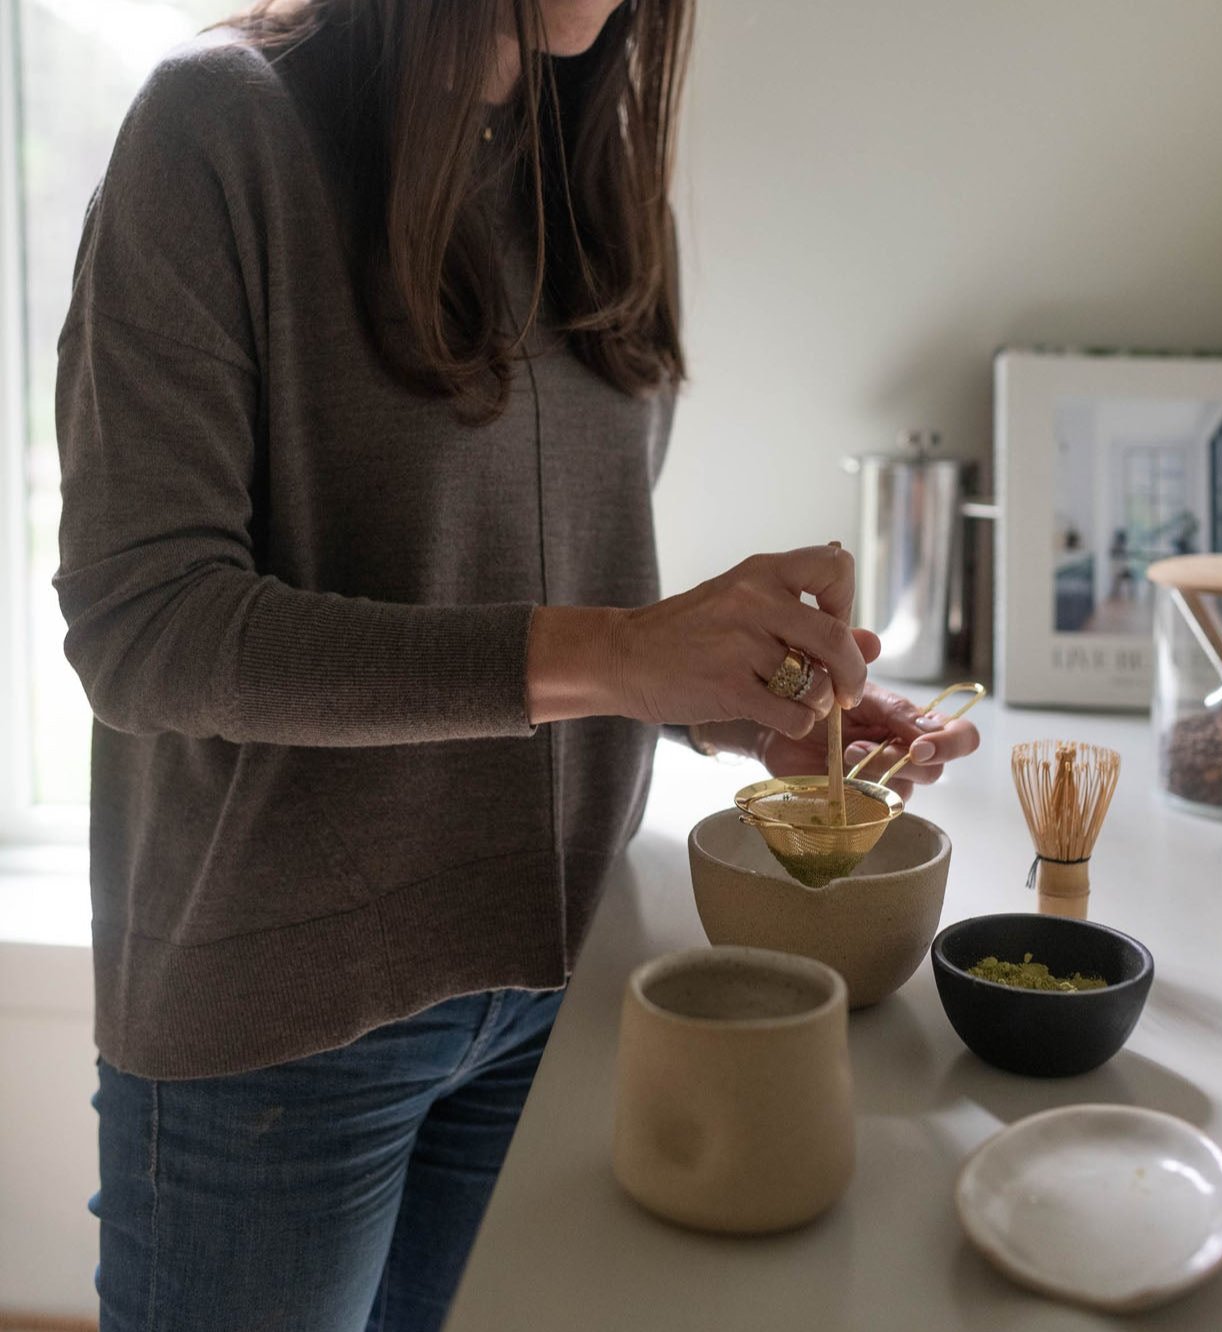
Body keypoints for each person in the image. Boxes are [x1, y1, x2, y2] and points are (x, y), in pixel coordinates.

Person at [53, 1, 981, 1327]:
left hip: (561, 992)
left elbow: (548, 615)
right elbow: (148, 628)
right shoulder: (218, 132)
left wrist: (748, 700)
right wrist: (621, 653)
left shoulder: (588, 164)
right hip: (280, 1034)